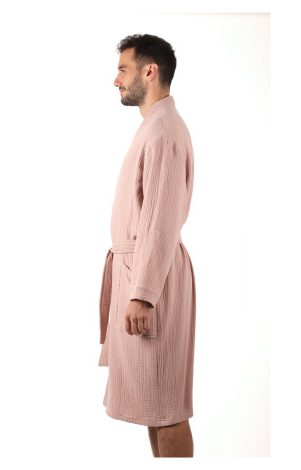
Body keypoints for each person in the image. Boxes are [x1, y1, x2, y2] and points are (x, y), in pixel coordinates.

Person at [97, 34, 196, 458]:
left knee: (166, 405)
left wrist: (143, 294)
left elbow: (160, 219)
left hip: (150, 280)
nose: (116, 80)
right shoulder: (155, 126)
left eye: (123, 69)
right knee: (154, 405)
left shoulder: (163, 131)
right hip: (140, 275)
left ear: (149, 71)